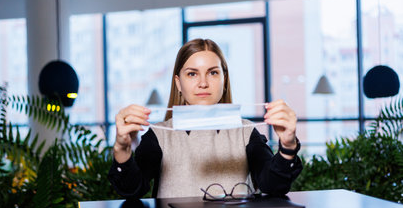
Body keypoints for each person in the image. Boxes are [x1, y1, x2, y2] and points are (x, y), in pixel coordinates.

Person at [108, 38, 302, 198]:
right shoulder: (159, 136)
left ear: (224, 80)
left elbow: (273, 186)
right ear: (178, 83)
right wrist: (122, 149)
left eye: (213, 73)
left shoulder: (245, 132)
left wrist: (288, 146)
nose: (203, 83)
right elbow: (132, 190)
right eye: (192, 74)